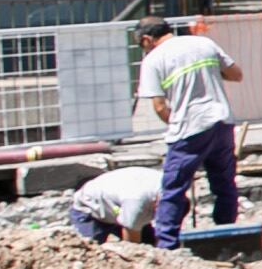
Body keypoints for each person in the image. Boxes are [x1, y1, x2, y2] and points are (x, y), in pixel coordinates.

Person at [136, 15, 241, 250]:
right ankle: (228, 236)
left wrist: (174, 124)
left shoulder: (154, 60)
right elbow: (236, 74)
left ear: (146, 39)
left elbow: (160, 106)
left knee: (173, 188)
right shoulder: (204, 44)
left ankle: (167, 246)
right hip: (222, 122)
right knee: (224, 185)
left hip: (189, 129)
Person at [67, 165, 165, 244]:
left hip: (117, 206)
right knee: (91, 251)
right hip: (90, 208)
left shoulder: (173, 187)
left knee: (149, 242)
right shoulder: (136, 203)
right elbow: (132, 247)